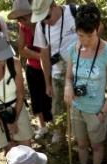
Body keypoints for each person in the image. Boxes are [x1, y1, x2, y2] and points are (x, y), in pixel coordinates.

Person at [64, 4, 107, 164]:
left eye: (90, 35)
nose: (85, 41)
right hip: (77, 107)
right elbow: (69, 77)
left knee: (96, 145)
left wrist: (103, 112)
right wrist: (67, 87)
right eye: (81, 35)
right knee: (81, 144)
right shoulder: (73, 49)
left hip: (96, 110)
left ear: (98, 28)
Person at [32, 0, 79, 143]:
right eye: (41, 19)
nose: (45, 22)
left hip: (80, 73)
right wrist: (47, 83)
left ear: (53, 6)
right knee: (57, 108)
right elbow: (44, 56)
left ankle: (79, 136)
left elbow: (97, 29)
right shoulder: (41, 25)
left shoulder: (75, 12)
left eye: (47, 17)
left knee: (78, 107)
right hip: (57, 73)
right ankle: (59, 134)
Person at [8, 0, 53, 139]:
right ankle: (43, 126)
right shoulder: (23, 27)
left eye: (24, 17)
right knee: (36, 99)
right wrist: (42, 56)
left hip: (49, 69)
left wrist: (44, 58)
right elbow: (21, 50)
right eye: (19, 18)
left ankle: (56, 128)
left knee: (51, 98)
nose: (22, 21)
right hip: (33, 68)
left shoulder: (45, 23)